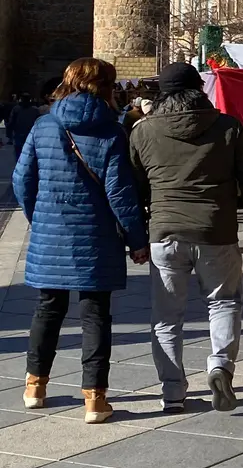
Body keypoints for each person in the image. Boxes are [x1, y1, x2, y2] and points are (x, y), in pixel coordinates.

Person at [13, 58, 149, 424]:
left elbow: (21, 180)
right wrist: (137, 239)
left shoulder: (44, 125)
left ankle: (34, 387)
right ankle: (94, 399)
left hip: (50, 233)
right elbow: (120, 193)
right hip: (97, 237)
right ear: (107, 87)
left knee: (47, 310)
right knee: (96, 317)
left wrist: (38, 216)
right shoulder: (111, 131)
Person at [130, 62, 243, 413]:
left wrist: (134, 238)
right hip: (216, 230)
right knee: (223, 303)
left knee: (166, 318)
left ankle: (172, 392)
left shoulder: (143, 131)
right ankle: (220, 365)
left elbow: (133, 188)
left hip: (165, 232)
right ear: (199, 89)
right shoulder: (227, 127)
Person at [9, 93, 40, 158]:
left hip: (19, 132)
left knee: (19, 151)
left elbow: (11, 121)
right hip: (29, 133)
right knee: (29, 151)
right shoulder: (35, 110)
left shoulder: (16, 109)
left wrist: (10, 133)